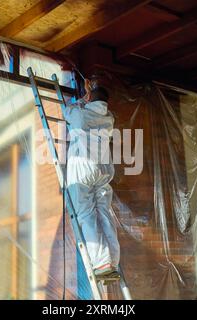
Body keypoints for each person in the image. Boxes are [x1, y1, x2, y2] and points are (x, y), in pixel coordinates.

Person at [63, 79, 120, 279]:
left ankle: (102, 260)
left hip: (84, 170)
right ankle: (112, 259)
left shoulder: (82, 114)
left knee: (86, 213)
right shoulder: (109, 118)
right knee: (103, 211)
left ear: (90, 99)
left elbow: (67, 110)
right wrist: (90, 94)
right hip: (103, 170)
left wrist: (83, 97)